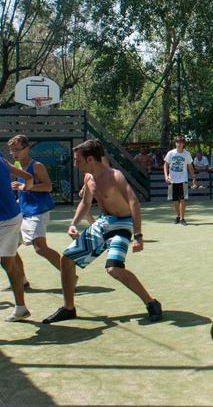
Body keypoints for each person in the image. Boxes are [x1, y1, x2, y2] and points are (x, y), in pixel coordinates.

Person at [43, 139, 161, 324]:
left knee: (114, 268)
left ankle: (151, 303)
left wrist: (138, 236)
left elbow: (134, 203)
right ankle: (68, 308)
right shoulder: (88, 178)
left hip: (122, 224)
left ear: (90, 159)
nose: (75, 164)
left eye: (78, 160)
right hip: (103, 223)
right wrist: (73, 223)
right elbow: (85, 202)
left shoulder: (115, 176)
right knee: (66, 259)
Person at [6, 135, 63, 292]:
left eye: (17, 149)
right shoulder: (17, 166)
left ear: (27, 149)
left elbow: (48, 187)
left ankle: (69, 274)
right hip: (22, 213)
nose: (14, 153)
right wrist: (18, 198)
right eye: (11, 150)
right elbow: (23, 190)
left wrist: (26, 187)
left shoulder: (37, 166)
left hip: (37, 212)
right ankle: (21, 281)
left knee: (40, 248)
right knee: (8, 248)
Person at [0, 154, 35, 321]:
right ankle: (21, 308)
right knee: (8, 262)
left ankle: (21, 307)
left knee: (8, 262)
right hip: (13, 216)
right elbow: (28, 177)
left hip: (6, 219)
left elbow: (27, 177)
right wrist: (26, 187)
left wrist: (25, 190)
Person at [164, 136, 197, 225]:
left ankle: (182, 218)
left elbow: (190, 166)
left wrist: (193, 178)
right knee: (175, 200)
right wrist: (166, 176)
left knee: (182, 199)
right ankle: (178, 216)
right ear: (175, 143)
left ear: (183, 144)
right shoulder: (171, 153)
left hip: (183, 180)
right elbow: (165, 165)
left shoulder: (187, 154)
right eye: (177, 142)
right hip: (172, 180)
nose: (179, 144)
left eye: (181, 142)